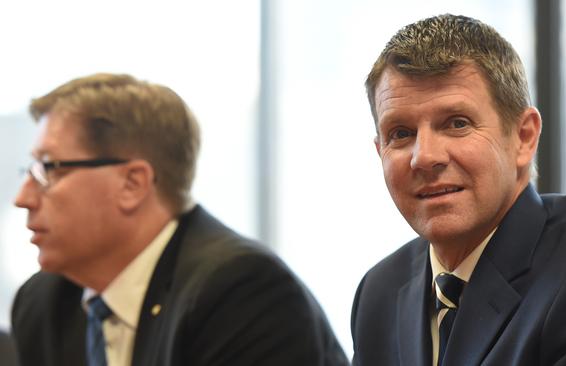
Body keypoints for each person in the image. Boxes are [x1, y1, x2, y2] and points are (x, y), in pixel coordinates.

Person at [351, 14, 566, 366]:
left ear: (524, 137)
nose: (424, 157)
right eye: (401, 133)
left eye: (457, 123)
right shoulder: (381, 290)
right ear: (380, 151)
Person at [12, 73, 349, 366]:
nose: (22, 198)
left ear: (132, 184)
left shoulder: (238, 291)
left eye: (49, 169)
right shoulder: (43, 303)